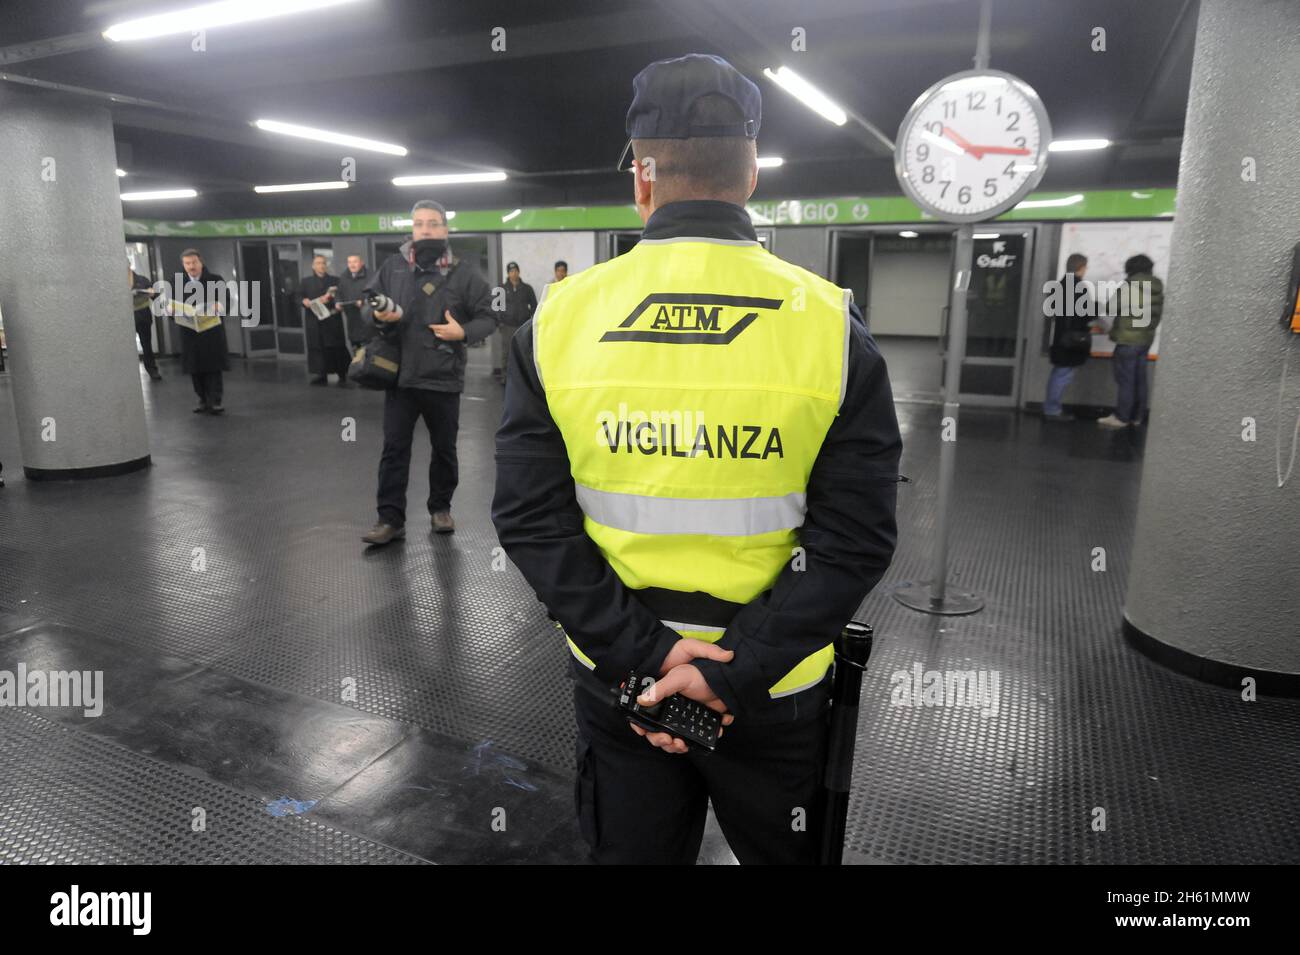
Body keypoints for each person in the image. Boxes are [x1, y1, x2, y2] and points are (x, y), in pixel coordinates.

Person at [492, 53, 901, 865]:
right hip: (776, 694)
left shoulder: (556, 323)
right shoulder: (830, 326)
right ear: (750, 172)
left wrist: (648, 658)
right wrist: (734, 672)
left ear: (641, 180)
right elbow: (855, 537)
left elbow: (532, 520)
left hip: (624, 685)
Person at [361, 200, 497, 544]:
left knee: (445, 449)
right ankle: (389, 519)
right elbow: (367, 306)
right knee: (394, 449)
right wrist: (378, 316)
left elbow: (490, 315)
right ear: (412, 229)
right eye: (419, 224)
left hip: (443, 378)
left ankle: (440, 508)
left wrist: (462, 332)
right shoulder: (392, 268)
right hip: (401, 378)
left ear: (445, 230)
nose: (426, 230)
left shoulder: (464, 272)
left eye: (433, 224)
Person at [1097, 253, 1164, 429]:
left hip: (1127, 341)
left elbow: (1111, 307)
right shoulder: (1157, 287)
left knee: (1126, 380)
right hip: (1145, 340)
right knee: (1140, 379)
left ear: (1130, 269)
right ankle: (1137, 416)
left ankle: (1122, 417)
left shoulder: (1130, 286)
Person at [176, 249, 229, 415]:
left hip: (211, 332)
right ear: (183, 265)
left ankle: (215, 401)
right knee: (195, 368)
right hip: (190, 333)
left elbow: (225, 301)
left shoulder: (215, 280)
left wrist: (217, 306)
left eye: (194, 262)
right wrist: (172, 311)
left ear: (201, 263)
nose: (191, 266)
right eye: (187, 263)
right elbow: (169, 304)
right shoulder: (177, 282)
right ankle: (202, 399)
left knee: (213, 368)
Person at [1042, 253, 1093, 418]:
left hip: (1061, 337)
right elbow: (1086, 313)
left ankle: (1051, 407)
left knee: (1059, 372)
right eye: (1085, 267)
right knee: (1063, 374)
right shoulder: (1078, 286)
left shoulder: (1059, 285)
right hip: (1072, 340)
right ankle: (1052, 409)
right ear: (1081, 268)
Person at [300, 255, 347, 386]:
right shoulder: (306, 281)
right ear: (313, 266)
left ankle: (341, 373)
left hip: (332, 318)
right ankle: (322, 374)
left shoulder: (335, 280)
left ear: (326, 265)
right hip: (314, 319)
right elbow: (299, 297)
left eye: (323, 263)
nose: (321, 265)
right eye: (318, 263)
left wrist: (335, 302)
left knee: (336, 346)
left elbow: (341, 296)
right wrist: (304, 301)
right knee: (318, 347)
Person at [492, 261, 536, 384]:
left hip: (523, 326)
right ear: (508, 273)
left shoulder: (527, 288)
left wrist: (532, 322)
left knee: (524, 352)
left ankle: (525, 379)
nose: (514, 273)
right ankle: (505, 376)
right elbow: (496, 308)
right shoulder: (501, 289)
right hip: (507, 326)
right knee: (507, 352)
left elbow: (534, 306)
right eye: (511, 271)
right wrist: (500, 322)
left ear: (519, 272)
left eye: (516, 271)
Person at [129, 263, 162, 381]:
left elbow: (155, 296)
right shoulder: (115, 281)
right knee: (127, 347)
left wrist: (152, 292)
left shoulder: (142, 280)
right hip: (126, 318)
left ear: (129, 265)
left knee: (146, 345)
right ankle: (129, 374)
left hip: (142, 316)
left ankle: (152, 370)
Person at [334, 254, 371, 352]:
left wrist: (364, 302)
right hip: (352, 320)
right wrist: (337, 302)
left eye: (355, 261)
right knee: (356, 352)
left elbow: (376, 293)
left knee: (369, 353)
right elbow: (339, 293)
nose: (352, 265)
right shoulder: (343, 277)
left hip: (368, 320)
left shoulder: (371, 275)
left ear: (361, 263)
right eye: (349, 262)